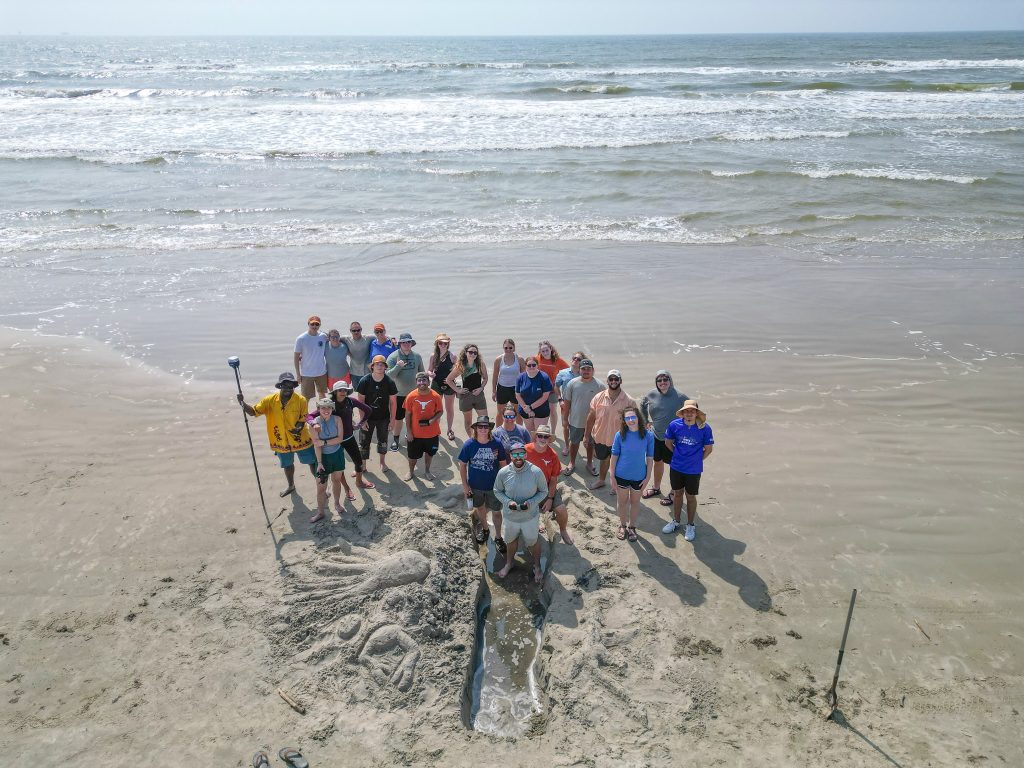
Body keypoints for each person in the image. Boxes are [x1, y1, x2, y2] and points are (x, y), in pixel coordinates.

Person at [237, 372, 315, 498]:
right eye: (285, 386)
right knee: (287, 465)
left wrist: (299, 428)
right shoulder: (269, 401)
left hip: (301, 439)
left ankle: (320, 484)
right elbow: (253, 412)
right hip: (280, 441)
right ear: (280, 386)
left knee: (312, 462)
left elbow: (304, 417)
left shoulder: (301, 400)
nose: (288, 389)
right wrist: (242, 403)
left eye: (291, 386)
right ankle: (291, 486)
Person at [493, 441, 549, 583]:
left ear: (525, 454)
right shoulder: (503, 472)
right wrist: (507, 502)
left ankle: (537, 566)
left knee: (533, 541)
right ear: (510, 455)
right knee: (511, 541)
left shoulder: (536, 471)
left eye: (521, 453)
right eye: (515, 454)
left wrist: (532, 502)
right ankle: (509, 563)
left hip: (530, 517)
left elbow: (544, 491)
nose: (518, 457)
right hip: (510, 517)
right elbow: (497, 491)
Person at [661, 400, 715, 542]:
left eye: (692, 411)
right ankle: (676, 521)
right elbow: (668, 443)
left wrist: (696, 460)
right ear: (682, 413)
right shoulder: (674, 425)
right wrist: (678, 455)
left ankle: (690, 525)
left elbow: (708, 449)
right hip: (676, 467)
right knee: (677, 494)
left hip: (693, 470)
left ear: (696, 412)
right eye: (686, 411)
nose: (689, 413)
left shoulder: (704, 428)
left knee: (690, 497)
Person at [458, 415, 508, 551]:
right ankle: (485, 529)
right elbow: (462, 465)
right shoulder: (469, 445)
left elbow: (503, 465)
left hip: (494, 487)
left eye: (486, 427)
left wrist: (504, 484)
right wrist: (465, 486)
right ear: (475, 428)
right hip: (475, 486)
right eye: (480, 426)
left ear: (489, 429)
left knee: (497, 512)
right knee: (480, 508)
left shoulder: (497, 444)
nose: (483, 429)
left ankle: (498, 536)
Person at [639, 370, 688, 502]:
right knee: (657, 461)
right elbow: (642, 405)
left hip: (673, 439)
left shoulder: (681, 396)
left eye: (665, 379)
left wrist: (688, 428)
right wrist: (645, 421)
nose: (662, 382)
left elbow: (692, 409)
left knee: (674, 465)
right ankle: (656, 488)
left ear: (670, 380)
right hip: (656, 435)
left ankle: (674, 491)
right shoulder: (651, 394)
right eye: (659, 380)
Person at [609, 405, 655, 542]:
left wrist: (648, 477)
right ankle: (622, 525)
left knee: (635, 502)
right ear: (624, 420)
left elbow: (650, 458)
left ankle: (632, 527)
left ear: (638, 418)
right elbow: (614, 456)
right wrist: (612, 476)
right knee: (622, 502)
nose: (630, 420)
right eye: (627, 418)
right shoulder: (620, 435)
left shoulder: (648, 435)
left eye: (633, 417)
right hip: (621, 475)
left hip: (639, 476)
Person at [586, 369, 635, 492]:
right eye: (611, 379)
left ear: (620, 381)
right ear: (607, 381)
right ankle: (602, 480)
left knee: (618, 463)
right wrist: (586, 436)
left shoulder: (629, 401)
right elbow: (591, 417)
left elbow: (633, 424)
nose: (613, 381)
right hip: (600, 437)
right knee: (604, 460)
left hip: (619, 440)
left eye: (616, 379)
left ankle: (616, 485)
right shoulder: (598, 397)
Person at [525, 425, 573, 545]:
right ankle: (535, 525)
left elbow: (553, 479)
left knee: (561, 510)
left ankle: (563, 530)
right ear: (535, 437)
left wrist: (550, 498)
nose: (542, 438)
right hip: (526, 487)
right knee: (524, 510)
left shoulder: (553, 455)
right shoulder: (525, 450)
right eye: (540, 435)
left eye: (545, 436)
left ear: (549, 439)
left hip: (545, 487)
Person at [325, 380, 375, 491]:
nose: (343, 392)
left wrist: (360, 424)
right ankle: (346, 488)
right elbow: (312, 415)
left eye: (345, 390)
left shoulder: (350, 401)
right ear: (335, 392)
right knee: (339, 466)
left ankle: (359, 482)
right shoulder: (328, 403)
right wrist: (313, 423)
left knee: (359, 462)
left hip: (349, 437)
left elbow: (368, 410)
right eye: (340, 390)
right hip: (335, 440)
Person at [309, 397, 352, 523]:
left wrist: (324, 442)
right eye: (323, 407)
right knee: (321, 488)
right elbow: (317, 444)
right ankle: (321, 512)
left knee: (336, 480)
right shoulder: (314, 424)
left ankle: (337, 503)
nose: (326, 410)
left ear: (332, 408)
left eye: (328, 407)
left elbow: (340, 439)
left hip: (337, 454)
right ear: (318, 409)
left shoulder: (338, 419)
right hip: (323, 457)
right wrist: (320, 463)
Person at [560, 359, 604, 477]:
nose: (586, 371)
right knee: (574, 443)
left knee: (590, 444)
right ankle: (572, 462)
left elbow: (604, 406)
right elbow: (567, 403)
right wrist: (565, 419)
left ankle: (589, 463)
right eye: (583, 369)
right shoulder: (572, 383)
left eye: (588, 369)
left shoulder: (600, 385)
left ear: (593, 370)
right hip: (575, 421)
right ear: (579, 370)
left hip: (593, 423)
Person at [355, 354, 398, 473]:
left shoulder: (389, 382)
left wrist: (393, 420)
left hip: (383, 418)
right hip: (368, 418)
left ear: (385, 367)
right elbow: (360, 402)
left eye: (382, 364)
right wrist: (363, 420)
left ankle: (382, 462)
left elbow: (393, 403)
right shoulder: (364, 380)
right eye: (377, 364)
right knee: (364, 442)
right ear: (372, 367)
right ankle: (362, 465)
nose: (379, 366)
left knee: (383, 441)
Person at [387, 332, 425, 451]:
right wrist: (398, 366)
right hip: (399, 394)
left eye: (408, 342)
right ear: (400, 344)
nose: (406, 344)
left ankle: (411, 435)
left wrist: (425, 385)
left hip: (415, 394)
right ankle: (396, 439)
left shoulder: (417, 356)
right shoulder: (393, 357)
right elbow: (388, 376)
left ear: (411, 343)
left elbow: (421, 373)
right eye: (404, 342)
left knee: (415, 417)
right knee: (398, 419)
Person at [403, 371, 443, 481]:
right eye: (419, 380)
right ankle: (411, 471)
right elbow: (407, 415)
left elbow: (440, 411)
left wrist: (432, 420)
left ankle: (427, 471)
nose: (422, 382)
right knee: (412, 456)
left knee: (430, 453)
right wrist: (409, 432)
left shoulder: (436, 396)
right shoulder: (411, 396)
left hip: (432, 433)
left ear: (428, 381)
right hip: (415, 434)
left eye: (424, 380)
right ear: (416, 382)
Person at [445, 343, 488, 437]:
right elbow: (448, 380)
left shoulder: (480, 364)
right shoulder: (461, 366)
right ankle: (472, 439)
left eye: (475, 352)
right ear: (466, 353)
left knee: (484, 420)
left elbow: (485, 378)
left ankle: (484, 438)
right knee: (468, 421)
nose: (473, 354)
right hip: (465, 396)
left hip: (479, 395)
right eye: (470, 352)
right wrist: (458, 390)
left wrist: (481, 388)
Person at [536, 341, 569, 444]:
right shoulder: (537, 359)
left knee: (553, 410)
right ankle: (542, 431)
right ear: (540, 351)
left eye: (546, 350)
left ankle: (553, 432)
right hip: (540, 390)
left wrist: (561, 382)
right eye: (543, 351)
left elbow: (569, 371)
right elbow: (528, 368)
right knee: (542, 411)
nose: (545, 352)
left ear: (551, 349)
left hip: (553, 390)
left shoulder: (558, 361)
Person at [428, 332, 458, 441]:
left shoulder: (452, 356)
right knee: (437, 409)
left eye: (445, 343)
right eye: (440, 343)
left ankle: (449, 430)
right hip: (436, 384)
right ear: (437, 343)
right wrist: (430, 374)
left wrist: (450, 377)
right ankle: (436, 429)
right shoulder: (433, 356)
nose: (443, 345)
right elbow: (429, 370)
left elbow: (459, 370)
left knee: (449, 408)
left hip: (449, 384)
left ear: (448, 344)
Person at [554, 351, 584, 457]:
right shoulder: (562, 372)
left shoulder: (584, 374)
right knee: (566, 426)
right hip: (565, 405)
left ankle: (585, 445)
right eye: (574, 358)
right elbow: (556, 386)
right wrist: (560, 399)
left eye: (578, 359)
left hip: (580, 406)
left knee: (580, 427)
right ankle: (567, 446)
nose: (575, 360)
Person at [515, 355, 553, 436]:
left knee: (540, 434)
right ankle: (532, 448)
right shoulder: (520, 377)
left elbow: (545, 396)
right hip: (525, 409)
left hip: (541, 409)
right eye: (529, 365)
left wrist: (531, 407)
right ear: (526, 366)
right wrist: (527, 409)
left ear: (537, 365)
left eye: (534, 365)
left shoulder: (544, 377)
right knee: (530, 433)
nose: (531, 367)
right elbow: (517, 395)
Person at [294, 315, 328, 401]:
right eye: (312, 324)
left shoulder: (323, 336)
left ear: (319, 325)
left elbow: (334, 340)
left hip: (321, 372)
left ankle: (323, 413)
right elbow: (296, 357)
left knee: (322, 395)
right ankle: (305, 414)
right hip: (306, 373)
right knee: (305, 398)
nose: (314, 326)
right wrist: (298, 374)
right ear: (308, 324)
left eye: (317, 324)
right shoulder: (301, 338)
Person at [492, 338, 525, 412]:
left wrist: (523, 390)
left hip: (516, 388)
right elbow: (495, 376)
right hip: (502, 388)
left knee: (518, 412)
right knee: (500, 412)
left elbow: (524, 377)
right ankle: (500, 424)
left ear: (514, 348)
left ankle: (518, 424)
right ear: (503, 348)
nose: (508, 349)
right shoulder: (498, 359)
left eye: (510, 348)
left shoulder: (520, 359)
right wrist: (494, 391)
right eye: (506, 348)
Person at [343, 321, 371, 389]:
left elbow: (382, 335)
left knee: (368, 393)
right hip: (354, 373)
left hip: (367, 372)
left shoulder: (368, 338)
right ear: (350, 331)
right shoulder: (346, 339)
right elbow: (334, 336)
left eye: (358, 330)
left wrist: (392, 338)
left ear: (361, 329)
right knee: (357, 391)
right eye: (354, 330)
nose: (356, 332)